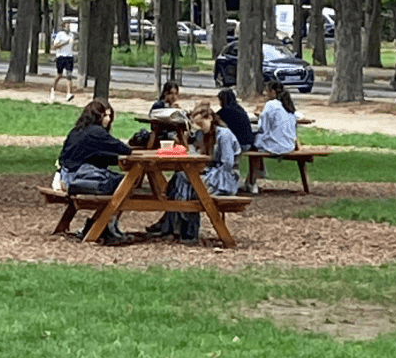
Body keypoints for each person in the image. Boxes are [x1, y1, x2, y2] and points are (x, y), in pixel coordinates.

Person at [146, 101, 241, 243]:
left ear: (209, 118)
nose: (200, 128)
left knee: (188, 183)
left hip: (223, 179)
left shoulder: (224, 135)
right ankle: (180, 228)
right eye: (197, 125)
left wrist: (205, 171)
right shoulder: (202, 135)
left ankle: (179, 228)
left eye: (201, 124)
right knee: (181, 178)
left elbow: (227, 164)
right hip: (208, 174)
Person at [58, 100, 132, 244]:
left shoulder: (77, 130)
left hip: (66, 176)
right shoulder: (96, 132)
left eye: (110, 116)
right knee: (126, 184)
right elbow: (123, 149)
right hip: (79, 178)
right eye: (105, 116)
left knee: (119, 184)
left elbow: (91, 155)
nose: (108, 119)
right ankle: (106, 225)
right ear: (97, 116)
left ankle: (102, 224)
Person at [254, 79, 299, 155]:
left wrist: (260, 117)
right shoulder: (288, 105)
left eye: (267, 91)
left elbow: (262, 128)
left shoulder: (271, 104)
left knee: (251, 140)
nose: (265, 93)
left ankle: (256, 166)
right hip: (290, 146)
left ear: (273, 92)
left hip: (276, 146)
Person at [50, 18, 75, 103]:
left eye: (69, 24)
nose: (68, 26)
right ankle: (53, 89)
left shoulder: (71, 35)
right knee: (59, 75)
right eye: (66, 24)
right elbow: (55, 46)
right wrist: (64, 43)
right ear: (63, 25)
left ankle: (68, 94)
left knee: (69, 75)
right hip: (61, 56)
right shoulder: (60, 34)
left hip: (69, 57)